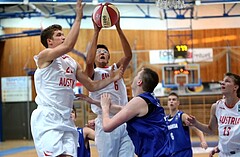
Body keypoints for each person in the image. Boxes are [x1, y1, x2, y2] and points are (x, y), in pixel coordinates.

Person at [30, 0, 123, 156]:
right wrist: (79, 17)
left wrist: (112, 78)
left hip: (66, 119)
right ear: (49, 41)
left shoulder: (71, 63)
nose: (63, 37)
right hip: (48, 118)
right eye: (59, 35)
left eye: (63, 34)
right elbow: (68, 47)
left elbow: (92, 85)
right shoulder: (43, 57)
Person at [83, 15, 135, 157]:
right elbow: (88, 62)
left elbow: (128, 55)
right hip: (106, 120)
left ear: (109, 56)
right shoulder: (93, 73)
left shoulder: (116, 68)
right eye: (99, 51)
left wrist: (118, 27)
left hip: (125, 119)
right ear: (94, 56)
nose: (102, 53)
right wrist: (96, 32)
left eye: (105, 52)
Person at [100, 67, 170, 157]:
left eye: (137, 75)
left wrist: (105, 108)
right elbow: (124, 110)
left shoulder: (139, 101)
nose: (134, 77)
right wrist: (95, 102)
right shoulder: (151, 100)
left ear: (139, 82)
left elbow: (107, 127)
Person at [188, 72, 240, 157]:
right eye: (222, 81)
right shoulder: (216, 106)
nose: (222, 83)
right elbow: (211, 130)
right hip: (222, 154)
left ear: (235, 87)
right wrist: (195, 123)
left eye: (227, 81)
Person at [165, 92, 208, 157]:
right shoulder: (165, 119)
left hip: (184, 153)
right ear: (167, 103)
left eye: (174, 100)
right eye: (169, 100)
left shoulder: (182, 116)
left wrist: (203, 141)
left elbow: (196, 128)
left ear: (178, 103)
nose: (171, 101)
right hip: (172, 153)